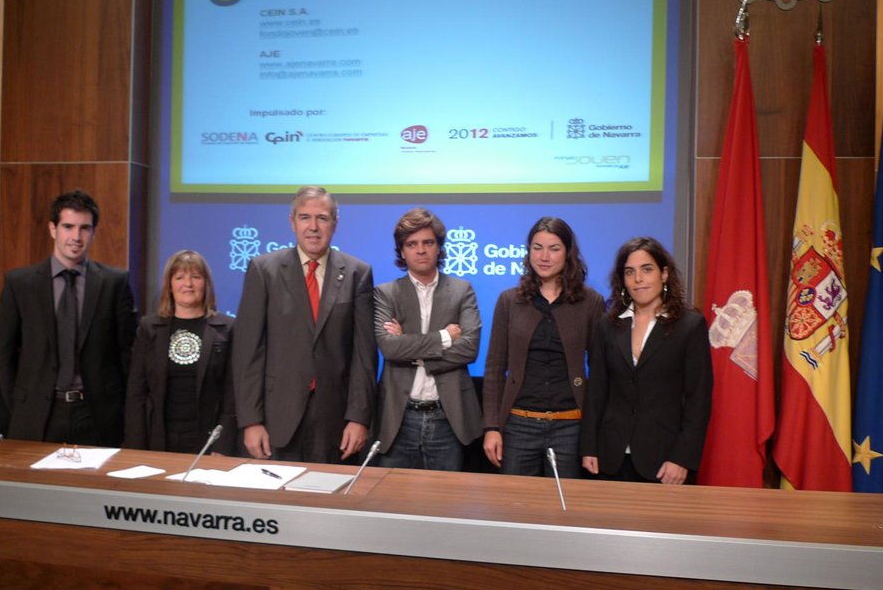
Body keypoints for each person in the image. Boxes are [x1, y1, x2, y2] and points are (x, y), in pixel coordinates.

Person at [231, 186, 377, 463]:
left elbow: (364, 356)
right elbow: (248, 353)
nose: (313, 227)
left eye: (322, 218)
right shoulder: (264, 270)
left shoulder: (357, 273)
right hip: (275, 419)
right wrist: (251, 421)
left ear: (335, 222)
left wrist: (359, 418)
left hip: (335, 422)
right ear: (292, 222)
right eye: (305, 217)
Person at [0, 189, 137, 446]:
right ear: (53, 229)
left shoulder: (114, 283)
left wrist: (122, 409)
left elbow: (127, 353)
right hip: (37, 414)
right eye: (68, 227)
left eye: (85, 228)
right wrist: (18, 404)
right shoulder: (20, 284)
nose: (76, 237)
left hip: (98, 415)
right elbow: (3, 352)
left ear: (93, 232)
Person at [581, 236, 712, 484]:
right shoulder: (608, 325)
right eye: (629, 272)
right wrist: (589, 446)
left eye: (647, 269)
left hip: (665, 461)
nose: (638, 279)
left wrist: (682, 458)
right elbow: (596, 391)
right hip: (610, 457)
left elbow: (699, 400)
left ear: (664, 274)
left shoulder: (690, 325)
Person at [482, 217, 604, 477]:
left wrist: (593, 435)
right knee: (514, 500)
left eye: (554, 248)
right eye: (537, 248)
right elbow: (494, 368)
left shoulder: (591, 301)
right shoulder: (509, 300)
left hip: (570, 426)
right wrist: (492, 427)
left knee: (564, 503)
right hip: (518, 424)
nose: (544, 256)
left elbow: (599, 371)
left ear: (568, 253)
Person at [374, 208, 481, 471]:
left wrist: (410, 346)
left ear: (439, 247)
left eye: (428, 242)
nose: (421, 250)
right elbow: (389, 348)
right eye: (412, 244)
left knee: (445, 495)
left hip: (447, 416)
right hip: (400, 416)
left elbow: (469, 349)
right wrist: (445, 337)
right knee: (392, 493)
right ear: (402, 251)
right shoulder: (386, 293)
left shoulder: (462, 290)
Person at [124, 250, 236, 454]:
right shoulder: (149, 328)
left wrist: (223, 445)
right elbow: (136, 391)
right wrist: (135, 447)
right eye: (180, 277)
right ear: (169, 285)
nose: (188, 284)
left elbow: (231, 393)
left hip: (208, 439)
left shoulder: (227, 328)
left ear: (206, 284)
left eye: (196, 277)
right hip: (158, 437)